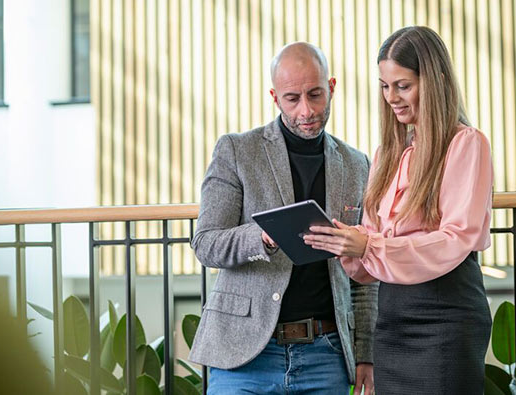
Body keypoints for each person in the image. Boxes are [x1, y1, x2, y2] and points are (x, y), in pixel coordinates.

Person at [304, 26, 493, 394]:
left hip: (446, 317)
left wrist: (370, 247)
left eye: (403, 86)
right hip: (392, 320)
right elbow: (370, 250)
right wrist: (351, 243)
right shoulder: (386, 155)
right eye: (384, 86)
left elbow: (456, 239)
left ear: (436, 80)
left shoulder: (466, 144)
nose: (392, 97)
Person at [189, 42, 378, 395]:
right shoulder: (236, 150)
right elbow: (206, 243)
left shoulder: (357, 165)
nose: (306, 110)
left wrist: (366, 353)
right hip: (245, 356)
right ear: (275, 97)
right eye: (292, 99)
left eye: (315, 95)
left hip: (326, 355)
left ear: (332, 87)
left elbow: (366, 275)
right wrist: (262, 236)